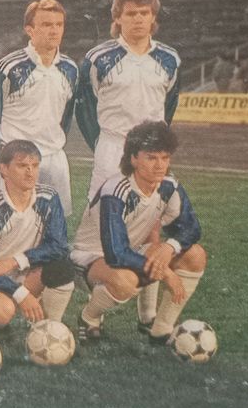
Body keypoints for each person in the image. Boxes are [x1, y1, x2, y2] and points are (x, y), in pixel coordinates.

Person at [70, 121, 207, 346]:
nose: (160, 165)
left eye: (165, 158)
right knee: (126, 281)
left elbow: (191, 228)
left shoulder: (169, 186)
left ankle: (160, 329)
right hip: (89, 258)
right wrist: (166, 273)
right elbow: (115, 254)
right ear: (133, 159)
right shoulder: (116, 189)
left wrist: (169, 246)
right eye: (151, 158)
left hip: (131, 253)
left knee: (195, 254)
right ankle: (89, 317)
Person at [76, 0, 181, 200]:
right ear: (117, 18)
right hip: (112, 148)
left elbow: (169, 105)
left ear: (153, 17)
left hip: (151, 151)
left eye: (144, 13)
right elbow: (85, 109)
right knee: (104, 213)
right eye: (131, 13)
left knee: (147, 213)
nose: (138, 18)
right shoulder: (98, 59)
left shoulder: (170, 59)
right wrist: (101, 143)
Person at [0, 0, 79, 215]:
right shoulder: (8, 68)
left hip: (54, 158)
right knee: (9, 222)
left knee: (54, 223)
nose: (54, 30)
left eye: (59, 24)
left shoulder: (70, 69)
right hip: (17, 159)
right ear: (29, 30)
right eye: (46, 24)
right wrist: (5, 156)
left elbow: (65, 117)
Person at [0, 140, 76, 335]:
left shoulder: (48, 198)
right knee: (3, 312)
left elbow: (59, 247)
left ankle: (49, 329)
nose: (30, 172)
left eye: (34, 166)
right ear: (3, 170)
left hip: (26, 272)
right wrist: (20, 294)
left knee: (62, 267)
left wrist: (14, 261)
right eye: (22, 166)